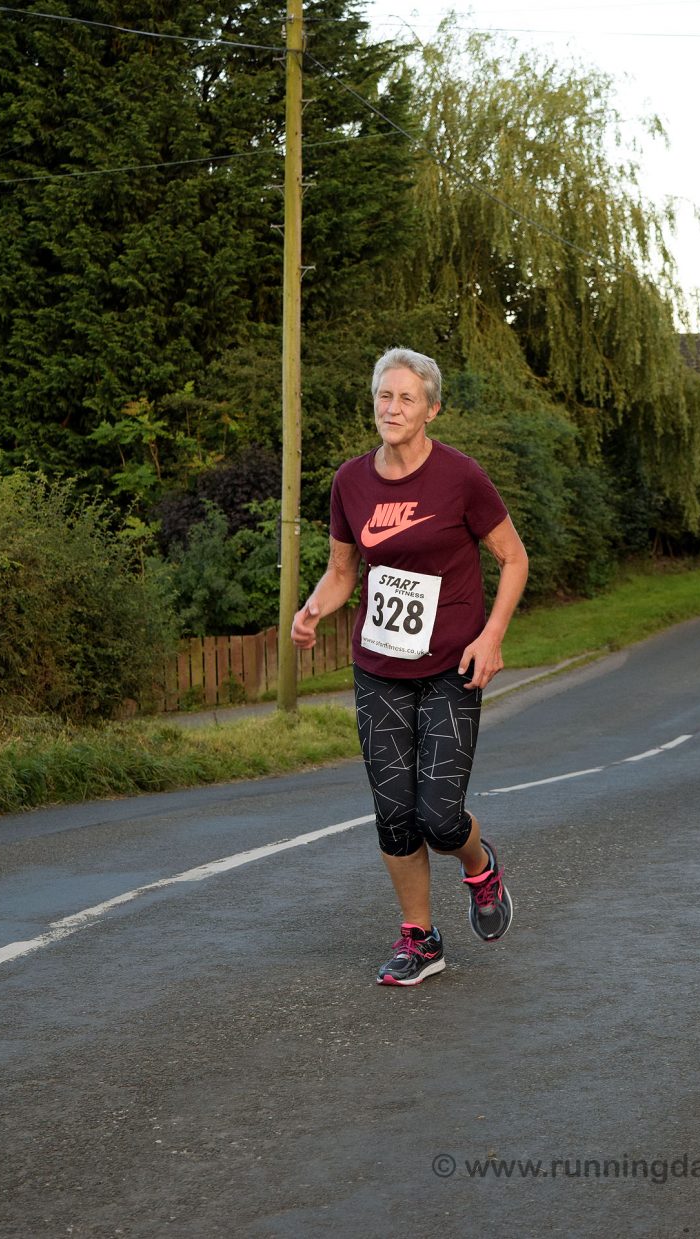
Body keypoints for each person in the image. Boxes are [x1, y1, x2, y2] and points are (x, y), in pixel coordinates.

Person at [291, 347, 528, 986]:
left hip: (453, 663)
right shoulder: (350, 482)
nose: (392, 408)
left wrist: (493, 634)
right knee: (394, 813)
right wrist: (313, 608)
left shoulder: (462, 477)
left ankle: (480, 868)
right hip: (379, 668)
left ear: (431, 409)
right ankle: (420, 938)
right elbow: (344, 572)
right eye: (383, 396)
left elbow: (513, 558)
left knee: (440, 816)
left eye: (406, 398)